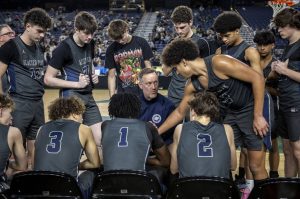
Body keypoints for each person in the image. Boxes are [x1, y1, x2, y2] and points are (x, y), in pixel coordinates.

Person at [160, 38, 268, 184]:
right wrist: (157, 132)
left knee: (255, 165)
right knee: (222, 161)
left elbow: (258, 79)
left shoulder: (219, 62)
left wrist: (258, 115)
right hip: (228, 114)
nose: (177, 73)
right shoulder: (193, 85)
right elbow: (180, 112)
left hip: (249, 109)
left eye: (176, 68)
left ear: (184, 62)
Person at [0, 8, 52, 169]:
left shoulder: (39, 47)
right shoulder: (10, 47)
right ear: (28, 26)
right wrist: (2, 101)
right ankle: (8, 179)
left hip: (37, 102)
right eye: (39, 31)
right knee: (14, 145)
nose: (42, 35)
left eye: (45, 32)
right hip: (19, 102)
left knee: (35, 143)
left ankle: (33, 176)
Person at [44, 11, 102, 149]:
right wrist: (77, 84)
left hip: (88, 95)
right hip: (71, 96)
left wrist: (94, 75)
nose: (90, 37)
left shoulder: (91, 43)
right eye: (86, 33)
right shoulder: (63, 48)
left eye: (92, 33)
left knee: (99, 140)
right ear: (76, 29)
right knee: (71, 142)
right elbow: (48, 79)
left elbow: (89, 63)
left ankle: (94, 168)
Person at [33, 97, 100, 199]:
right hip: (67, 191)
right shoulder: (83, 129)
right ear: (74, 114)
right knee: (95, 171)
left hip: (39, 189)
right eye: (81, 114)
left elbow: (35, 165)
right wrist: (76, 165)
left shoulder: (41, 128)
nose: (82, 118)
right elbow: (95, 163)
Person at [101, 93, 170, 187]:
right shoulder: (147, 126)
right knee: (163, 171)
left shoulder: (105, 125)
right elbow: (165, 161)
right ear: (136, 107)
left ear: (112, 108)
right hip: (138, 186)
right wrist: (145, 159)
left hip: (109, 185)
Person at [170, 91, 236, 179]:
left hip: (188, 190)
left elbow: (174, 169)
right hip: (219, 190)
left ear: (193, 111)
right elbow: (233, 166)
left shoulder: (180, 129)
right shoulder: (227, 129)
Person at [163, 5, 215, 107]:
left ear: (190, 22)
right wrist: (176, 52)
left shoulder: (202, 43)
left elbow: (209, 72)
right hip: (173, 94)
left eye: (182, 27)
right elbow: (165, 72)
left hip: (194, 95)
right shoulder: (171, 43)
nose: (178, 31)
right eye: (176, 28)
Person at [272, 8, 300, 177]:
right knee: (289, 150)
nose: (279, 30)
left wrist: (285, 71)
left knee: (298, 150)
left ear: (292, 25)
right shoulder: (290, 46)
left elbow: (289, 73)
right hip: (285, 103)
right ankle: (289, 190)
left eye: (281, 26)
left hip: (296, 104)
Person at [253, 29, 280, 178]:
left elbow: (282, 91)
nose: (262, 48)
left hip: (272, 107)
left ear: (273, 45)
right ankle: (258, 175)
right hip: (254, 106)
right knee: (255, 143)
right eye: (259, 44)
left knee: (273, 142)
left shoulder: (277, 66)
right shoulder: (252, 61)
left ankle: (274, 175)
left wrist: (265, 87)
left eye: (266, 44)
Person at [105, 19, 154, 97]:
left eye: (122, 37)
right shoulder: (111, 49)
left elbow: (149, 68)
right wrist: (112, 97)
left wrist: (152, 88)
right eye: (117, 39)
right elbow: (111, 76)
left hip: (143, 92)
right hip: (123, 93)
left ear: (126, 30)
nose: (120, 41)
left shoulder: (141, 42)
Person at [138, 68, 175, 145]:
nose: (154, 87)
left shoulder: (168, 105)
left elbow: (170, 137)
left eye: (155, 82)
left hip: (161, 147)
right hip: (139, 146)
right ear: (141, 85)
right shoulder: (134, 105)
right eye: (149, 83)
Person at [0, 94, 27, 183]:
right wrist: (9, 163)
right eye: (10, 113)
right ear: (1, 111)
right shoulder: (13, 132)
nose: (11, 118)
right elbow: (22, 166)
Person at [0, 24, 15, 95]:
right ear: (0, 38)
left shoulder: (13, 54)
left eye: (12, 33)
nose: (12, 35)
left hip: (10, 100)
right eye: (9, 33)